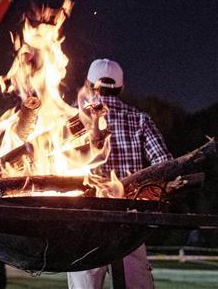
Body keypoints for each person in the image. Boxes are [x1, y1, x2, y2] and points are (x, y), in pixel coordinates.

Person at [68, 59, 173, 289]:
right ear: (121, 88)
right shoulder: (140, 119)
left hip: (86, 221)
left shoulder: (74, 121)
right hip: (129, 221)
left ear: (89, 84)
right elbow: (165, 165)